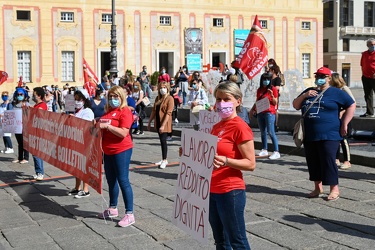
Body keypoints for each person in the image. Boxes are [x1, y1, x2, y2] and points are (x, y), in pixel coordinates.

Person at [184, 81, 256, 249]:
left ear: (238, 101)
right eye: (218, 99)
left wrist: (226, 161)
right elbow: (209, 155)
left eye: (226, 99)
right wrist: (190, 154)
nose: (221, 103)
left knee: (237, 241)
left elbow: (251, 163)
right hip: (210, 189)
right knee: (220, 241)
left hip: (230, 191)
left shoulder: (241, 127)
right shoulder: (216, 126)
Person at [292, 67, 355, 201]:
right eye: (317, 76)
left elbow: (351, 104)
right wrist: (304, 96)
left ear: (329, 78)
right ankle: (317, 188)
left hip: (330, 133)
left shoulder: (336, 92)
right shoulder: (309, 91)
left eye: (322, 76)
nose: (318, 78)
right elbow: (296, 105)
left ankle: (334, 189)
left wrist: (344, 123)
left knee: (328, 160)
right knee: (313, 161)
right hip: (310, 134)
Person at [97, 86, 135, 228]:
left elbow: (124, 133)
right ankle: (113, 208)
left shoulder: (124, 112)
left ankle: (129, 214)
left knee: (123, 180)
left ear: (121, 97)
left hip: (122, 150)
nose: (113, 99)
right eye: (111, 97)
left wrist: (107, 127)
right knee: (111, 179)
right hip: (108, 151)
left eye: (116, 97)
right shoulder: (108, 111)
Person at [68, 89, 95, 198]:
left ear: (84, 100)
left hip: (85, 142)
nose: (76, 101)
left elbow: (86, 126)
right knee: (77, 166)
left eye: (78, 99)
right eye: (75, 99)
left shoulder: (88, 111)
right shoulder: (78, 111)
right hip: (77, 142)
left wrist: (74, 120)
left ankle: (86, 189)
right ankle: (77, 187)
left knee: (84, 166)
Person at [250, 72, 280, 160]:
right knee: (263, 132)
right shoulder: (260, 89)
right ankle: (264, 149)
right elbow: (257, 100)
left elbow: (275, 102)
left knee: (271, 132)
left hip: (269, 112)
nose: (266, 81)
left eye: (267, 79)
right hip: (260, 112)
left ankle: (276, 151)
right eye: (264, 79)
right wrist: (252, 109)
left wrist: (271, 95)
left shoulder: (273, 89)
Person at [330, 73, 356, 170]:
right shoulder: (333, 89)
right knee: (336, 138)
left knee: (343, 139)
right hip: (336, 117)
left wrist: (342, 112)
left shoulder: (344, 89)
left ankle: (347, 161)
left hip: (345, 118)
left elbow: (352, 103)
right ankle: (336, 159)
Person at [147, 81, 174, 169]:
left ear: (167, 88)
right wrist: (149, 121)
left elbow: (168, 113)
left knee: (163, 141)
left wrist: (163, 125)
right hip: (158, 122)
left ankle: (165, 160)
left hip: (164, 123)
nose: (163, 89)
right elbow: (153, 111)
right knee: (161, 141)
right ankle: (163, 158)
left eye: (164, 87)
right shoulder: (158, 98)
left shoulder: (170, 98)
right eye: (161, 87)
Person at [31, 87, 48, 181]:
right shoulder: (36, 105)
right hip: (34, 130)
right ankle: (38, 171)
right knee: (35, 153)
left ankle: (40, 172)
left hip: (39, 132)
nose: (33, 95)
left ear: (39, 96)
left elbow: (40, 114)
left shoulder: (42, 105)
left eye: (34, 94)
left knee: (36, 153)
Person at [11, 87, 30, 164]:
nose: (19, 95)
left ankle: (26, 158)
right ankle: (20, 157)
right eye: (18, 94)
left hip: (24, 126)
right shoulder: (14, 104)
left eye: (21, 94)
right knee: (19, 143)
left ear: (24, 95)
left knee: (24, 142)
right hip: (17, 126)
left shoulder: (26, 104)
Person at [360, 38, 375, 118]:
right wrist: (363, 74)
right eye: (371, 44)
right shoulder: (364, 54)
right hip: (366, 77)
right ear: (367, 45)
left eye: (374, 44)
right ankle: (369, 112)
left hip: (374, 77)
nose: (373, 46)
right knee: (368, 95)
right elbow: (362, 64)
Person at [269, 65, 282, 131]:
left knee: (275, 109)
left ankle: (275, 125)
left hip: (275, 96)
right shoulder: (269, 78)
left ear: (273, 71)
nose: (269, 71)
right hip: (268, 96)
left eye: (270, 70)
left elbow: (277, 87)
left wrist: (270, 88)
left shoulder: (277, 79)